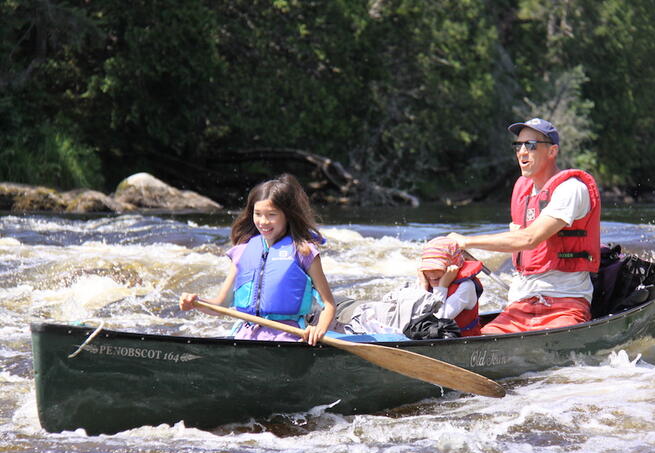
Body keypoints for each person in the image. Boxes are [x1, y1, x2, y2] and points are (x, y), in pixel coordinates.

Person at [448, 118, 601, 334]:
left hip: (564, 305)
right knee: (481, 337)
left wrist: (468, 241)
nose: (521, 152)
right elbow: (515, 242)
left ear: (552, 151)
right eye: (517, 145)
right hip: (521, 304)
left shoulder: (571, 190)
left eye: (530, 145)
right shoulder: (524, 191)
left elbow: (530, 239)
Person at [179, 173, 336, 346]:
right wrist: (196, 303)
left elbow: (329, 305)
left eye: (271, 214)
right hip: (245, 337)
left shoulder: (304, 252)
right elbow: (220, 305)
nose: (263, 221)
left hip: (287, 337)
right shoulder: (242, 252)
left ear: (288, 215)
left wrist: (318, 330)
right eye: (258, 213)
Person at [337, 236, 484, 337]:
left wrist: (443, 286)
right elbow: (414, 313)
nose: (431, 273)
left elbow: (436, 318)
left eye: (437, 268)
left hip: (456, 339)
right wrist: (422, 285)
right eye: (427, 268)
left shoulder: (466, 287)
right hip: (429, 335)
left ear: (453, 266)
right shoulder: (429, 279)